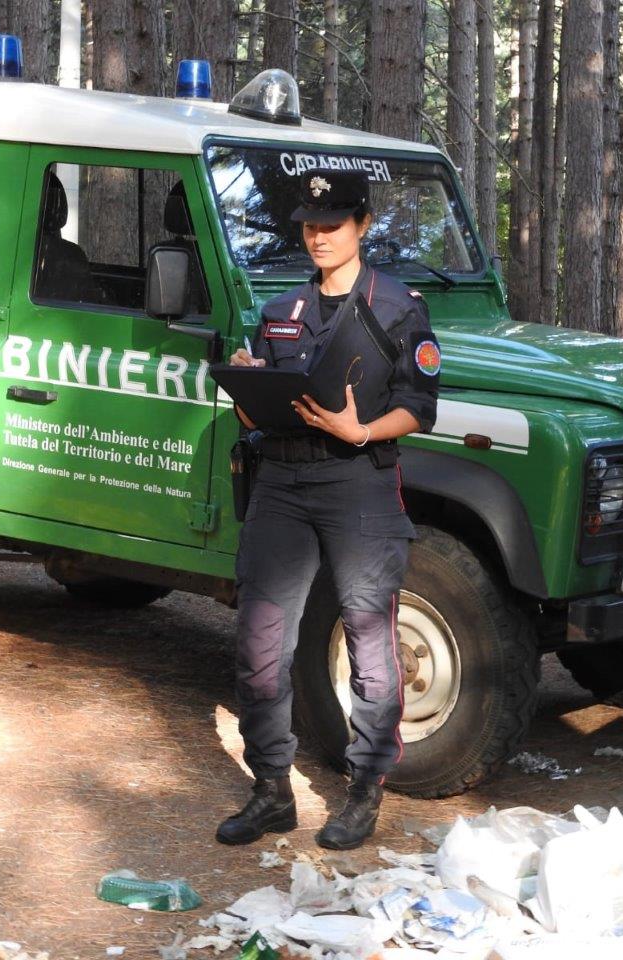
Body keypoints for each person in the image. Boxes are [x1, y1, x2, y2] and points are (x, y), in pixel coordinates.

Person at [216, 168, 441, 851]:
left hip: (358, 484)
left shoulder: (399, 308)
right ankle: (271, 791)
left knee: (370, 644)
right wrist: (246, 383)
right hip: (281, 484)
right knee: (260, 646)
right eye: (309, 228)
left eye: (332, 226)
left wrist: (363, 431)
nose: (318, 238)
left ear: (362, 226)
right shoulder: (280, 311)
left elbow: (421, 408)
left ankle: (364, 789)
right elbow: (261, 404)